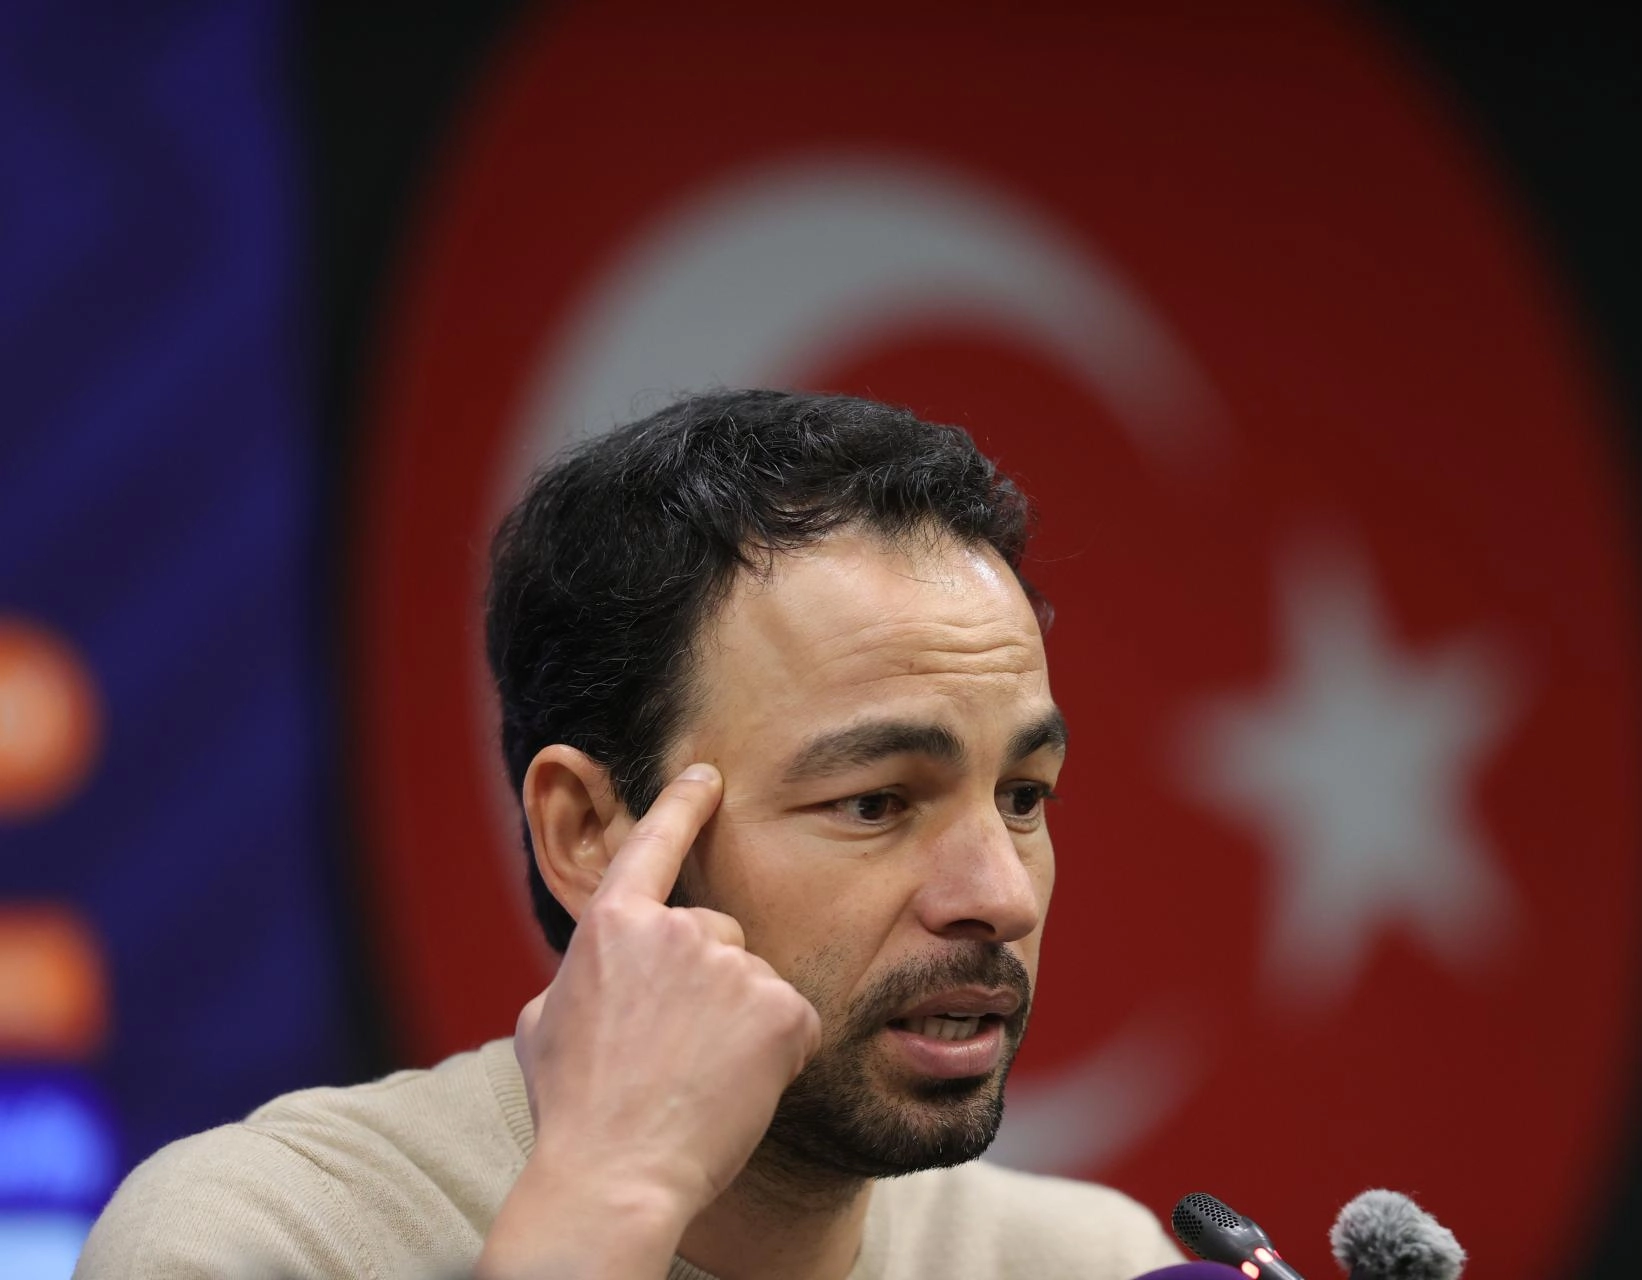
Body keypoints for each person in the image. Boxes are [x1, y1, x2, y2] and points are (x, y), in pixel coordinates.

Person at [77, 389, 1186, 1279]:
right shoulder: (265, 1238)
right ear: (588, 832)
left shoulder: (1092, 1260)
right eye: (875, 802)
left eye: (1023, 796)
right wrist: (610, 1202)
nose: (1001, 895)